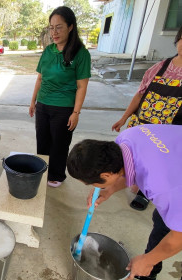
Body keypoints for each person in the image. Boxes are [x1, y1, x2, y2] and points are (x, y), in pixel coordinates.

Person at [67, 124, 182, 280]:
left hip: (174, 183)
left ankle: (149, 266)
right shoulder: (127, 138)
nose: (93, 188)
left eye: (92, 184)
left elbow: (179, 236)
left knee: (170, 230)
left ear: (106, 175)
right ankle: (150, 269)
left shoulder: (161, 186)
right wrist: (109, 190)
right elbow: (127, 171)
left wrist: (148, 260)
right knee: (161, 219)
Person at [112, 25, 182, 211]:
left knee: (157, 163)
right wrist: (124, 118)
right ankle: (124, 180)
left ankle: (145, 194)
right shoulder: (160, 67)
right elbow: (139, 95)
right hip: (142, 125)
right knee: (131, 156)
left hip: (168, 132)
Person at [29, 6, 91, 188]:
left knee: (59, 144)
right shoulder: (48, 51)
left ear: (71, 27)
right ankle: (42, 169)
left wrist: (76, 112)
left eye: (59, 27)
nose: (54, 32)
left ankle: (56, 175)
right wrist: (33, 101)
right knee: (42, 141)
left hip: (64, 108)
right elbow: (40, 77)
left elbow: (82, 86)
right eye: (51, 27)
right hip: (43, 105)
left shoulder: (81, 54)